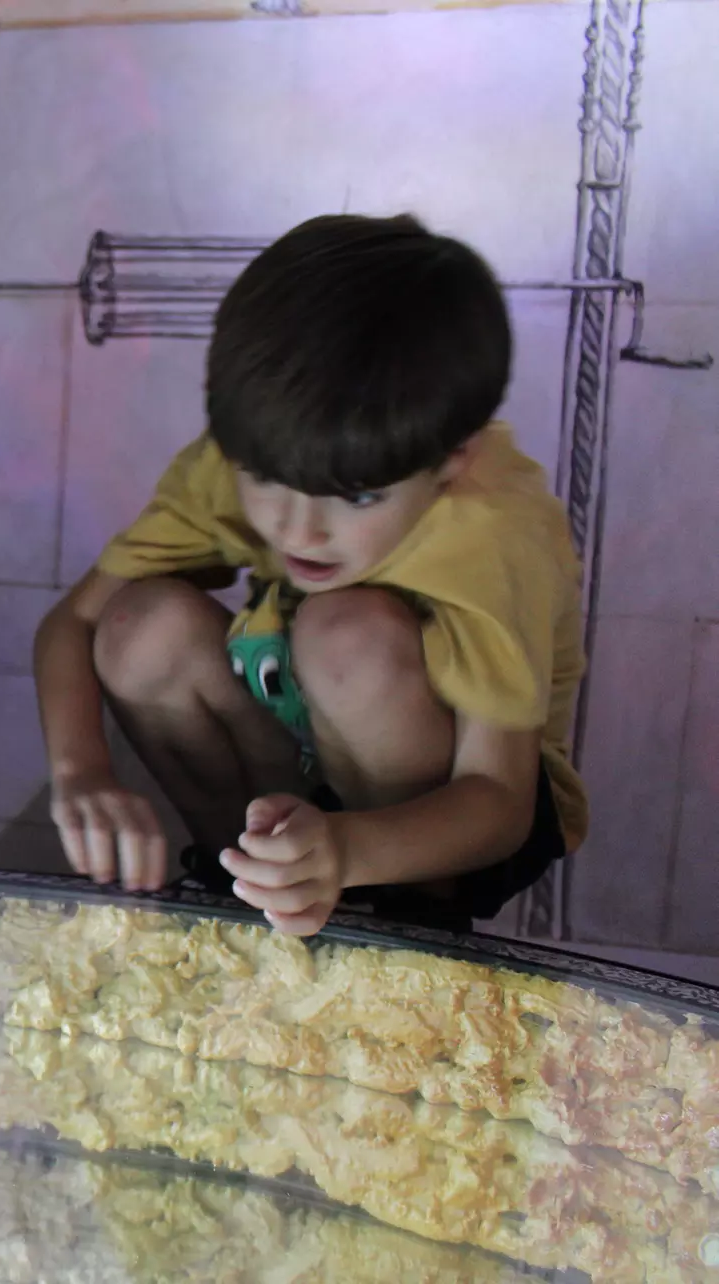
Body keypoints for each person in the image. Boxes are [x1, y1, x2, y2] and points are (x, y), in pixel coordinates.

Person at [33, 213, 585, 936]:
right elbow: (73, 623)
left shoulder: (493, 531)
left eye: (358, 497)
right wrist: (81, 774)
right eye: (266, 480)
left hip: (461, 809)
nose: (299, 530)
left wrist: (352, 848)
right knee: (142, 626)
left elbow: (498, 801)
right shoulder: (240, 457)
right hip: (302, 744)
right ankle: (258, 880)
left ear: (450, 459)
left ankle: (400, 913)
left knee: (345, 628)